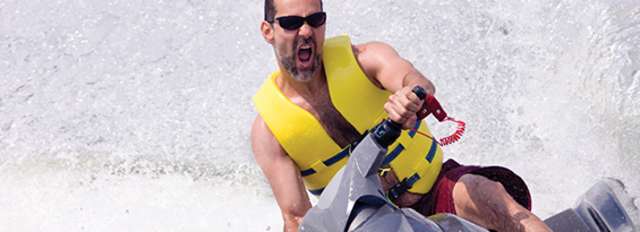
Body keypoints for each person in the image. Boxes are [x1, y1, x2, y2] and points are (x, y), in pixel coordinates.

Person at [251, 0, 552, 231]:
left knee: (488, 194)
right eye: (291, 22)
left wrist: (412, 95)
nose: (306, 31)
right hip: (368, 225)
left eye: (315, 20)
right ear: (268, 31)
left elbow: (415, 79)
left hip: (436, 191)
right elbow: (298, 219)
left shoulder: (366, 59)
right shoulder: (269, 133)